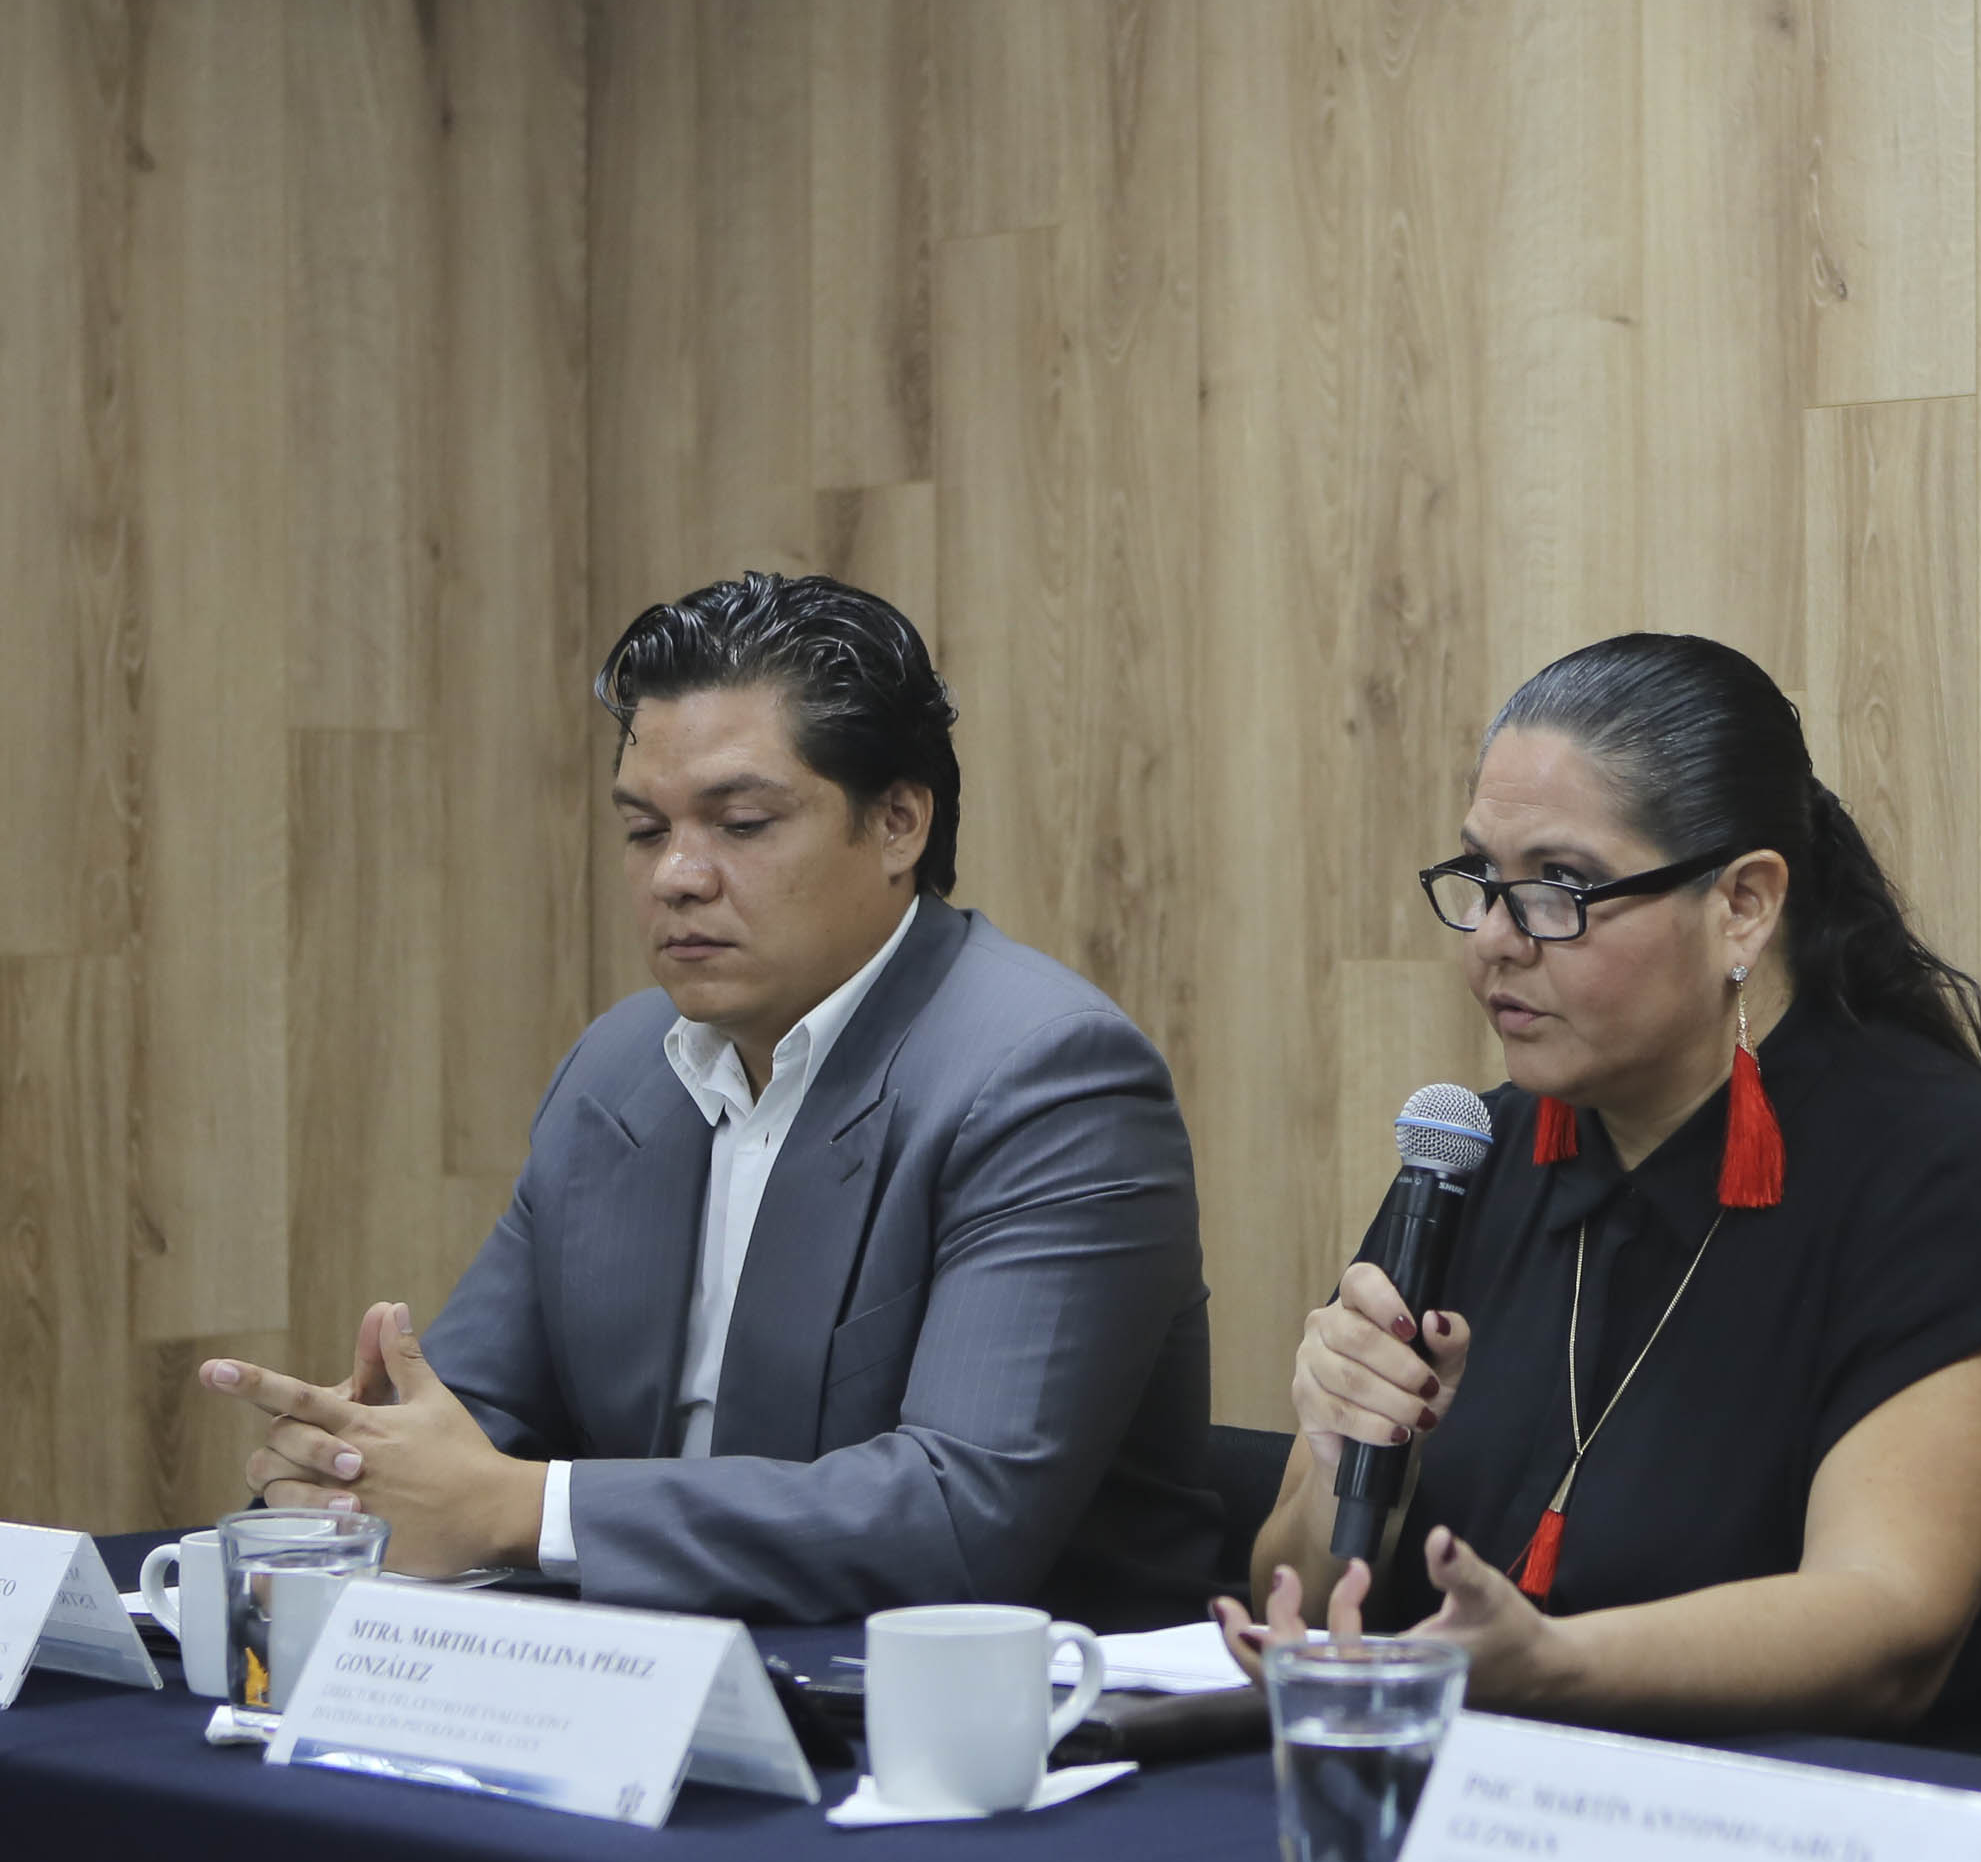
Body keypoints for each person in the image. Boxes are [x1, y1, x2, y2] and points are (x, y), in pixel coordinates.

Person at [202, 574, 1222, 1628]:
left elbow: (958, 1515)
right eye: (646, 831)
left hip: (1002, 1739)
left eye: (740, 823)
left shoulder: (1047, 1075)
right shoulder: (620, 1068)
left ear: (899, 822)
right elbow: (472, 1421)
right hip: (654, 1688)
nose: (677, 877)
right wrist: (349, 1470)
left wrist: (523, 1507)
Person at [1227, 633, 1981, 1743]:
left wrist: (1546, 1665)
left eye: (1559, 887)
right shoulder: (1474, 1159)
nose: (1494, 942)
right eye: (1482, 882)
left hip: (1827, 1842)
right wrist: (1338, 1458)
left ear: (1742, 905)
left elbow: (1891, 1623)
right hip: (1488, 1814)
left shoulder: (1950, 1180)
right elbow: (1296, 1601)